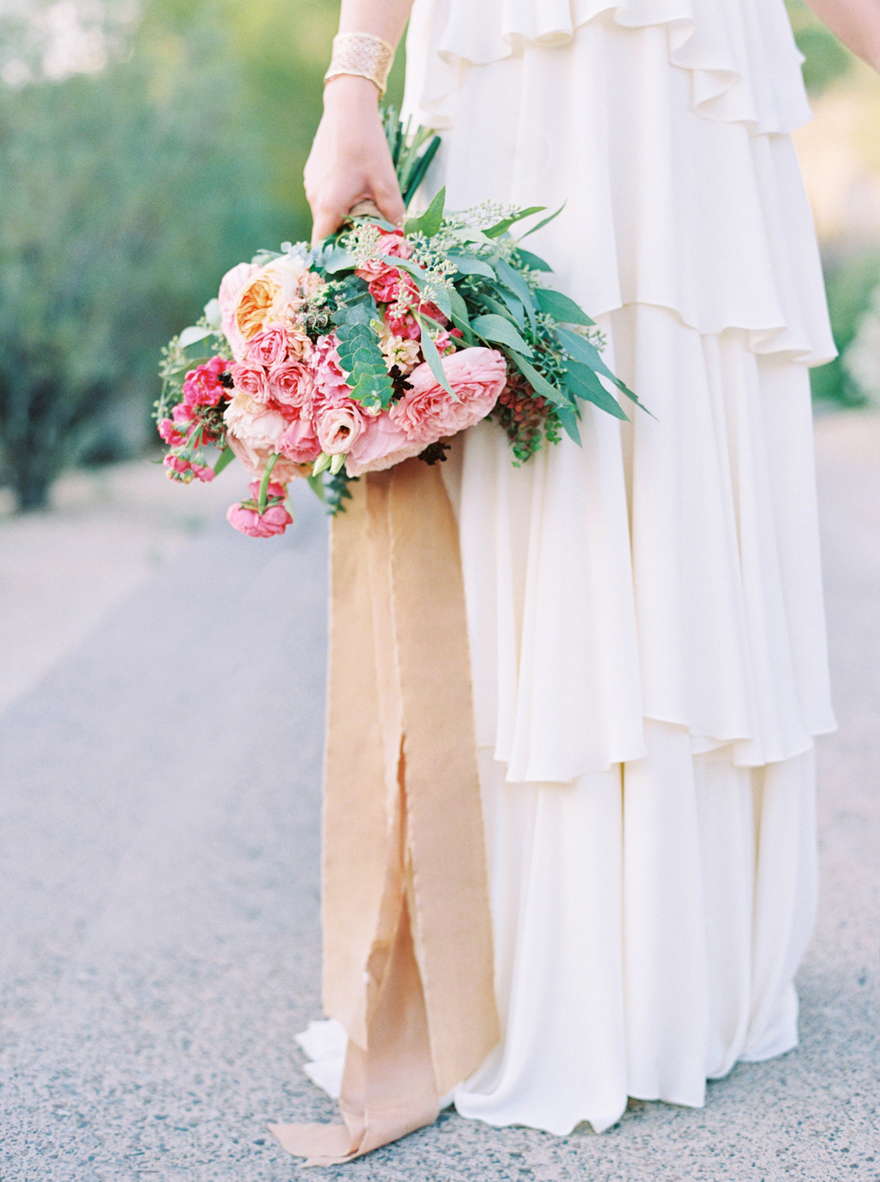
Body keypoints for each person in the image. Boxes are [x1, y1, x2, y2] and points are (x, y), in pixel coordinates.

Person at [298, 0, 880, 1146]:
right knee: (543, 461)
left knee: (685, 464)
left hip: (692, 89)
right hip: (523, 74)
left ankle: (678, 957)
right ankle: (509, 956)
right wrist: (349, 84)